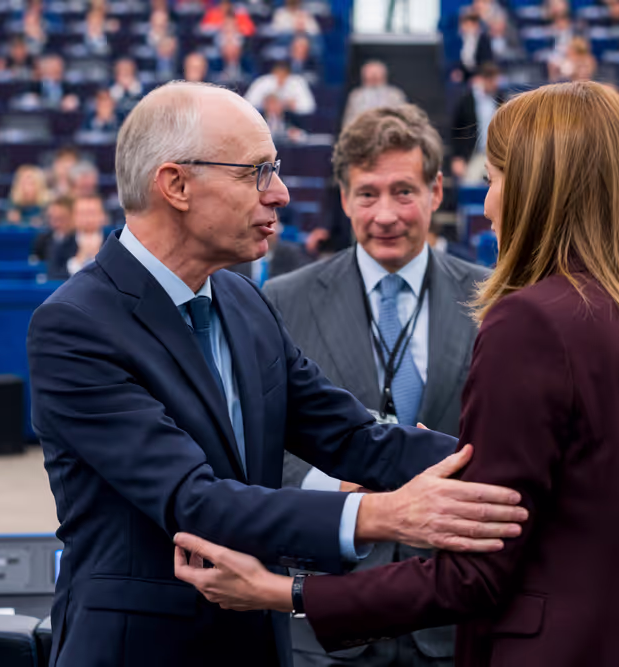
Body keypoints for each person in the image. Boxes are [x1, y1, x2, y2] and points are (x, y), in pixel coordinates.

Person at [173, 81, 619, 667]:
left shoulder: (530, 321)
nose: (487, 204)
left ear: (542, 187)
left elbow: (475, 575)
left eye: (493, 180)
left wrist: (284, 593)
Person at [26, 81, 528, 667]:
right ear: (177, 185)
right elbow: (195, 500)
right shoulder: (75, 326)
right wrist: (381, 516)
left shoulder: (243, 303)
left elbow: (351, 438)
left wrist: (517, 466)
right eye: (256, 173)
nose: (282, 194)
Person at [265, 103, 489, 667]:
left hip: (456, 611)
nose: (385, 214)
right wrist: (342, 498)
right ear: (343, 199)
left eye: (403, 191)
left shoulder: (497, 301)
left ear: (437, 191)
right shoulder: (279, 302)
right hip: (325, 617)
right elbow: (260, 441)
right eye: (367, 194)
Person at [452, 63, 502, 185]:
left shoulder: (499, 100)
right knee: (470, 186)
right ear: (484, 79)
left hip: (494, 156)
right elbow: (456, 130)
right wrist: (457, 157)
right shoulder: (466, 100)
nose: (496, 84)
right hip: (473, 155)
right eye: (494, 80)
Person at [47, 193, 106, 280]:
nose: (88, 219)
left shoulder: (115, 244)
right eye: (83, 214)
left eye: (92, 213)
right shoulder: (60, 246)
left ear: (102, 216)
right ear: (74, 216)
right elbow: (53, 277)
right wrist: (78, 260)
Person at [343, 61, 407, 129]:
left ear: (384, 74)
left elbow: (402, 118)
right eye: (370, 73)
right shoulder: (356, 95)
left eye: (376, 73)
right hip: (362, 133)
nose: (373, 75)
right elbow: (348, 120)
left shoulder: (395, 94)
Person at [245, 60, 316, 115]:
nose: (280, 78)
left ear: (288, 74)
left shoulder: (297, 82)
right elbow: (246, 105)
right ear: (273, 73)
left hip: (290, 121)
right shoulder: (263, 82)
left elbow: (309, 107)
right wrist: (264, 104)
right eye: (278, 74)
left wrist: (292, 106)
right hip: (263, 119)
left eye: (284, 75)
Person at [32, 195, 76, 262]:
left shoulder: (79, 240)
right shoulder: (42, 240)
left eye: (61, 218)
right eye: (51, 218)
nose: (56, 224)